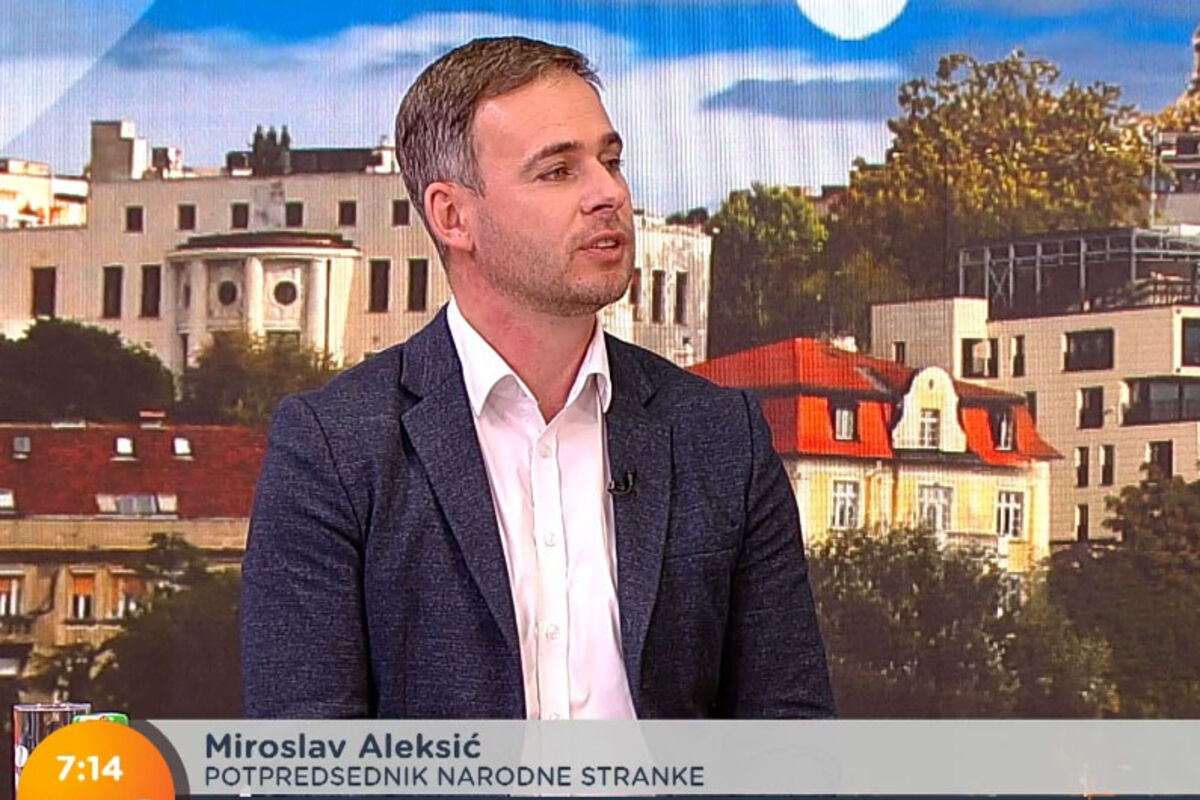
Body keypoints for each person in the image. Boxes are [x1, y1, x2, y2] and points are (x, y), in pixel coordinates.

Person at [241, 36, 834, 719]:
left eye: (611, 161)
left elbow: (791, 734)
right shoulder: (334, 449)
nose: (609, 194)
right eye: (558, 171)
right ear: (453, 216)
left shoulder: (722, 438)